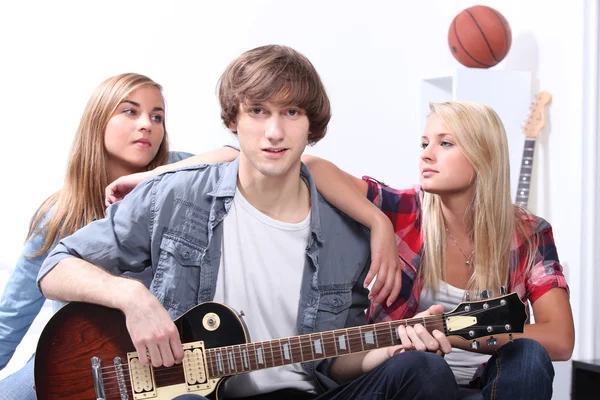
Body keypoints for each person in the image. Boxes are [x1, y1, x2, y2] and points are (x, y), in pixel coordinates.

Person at [38, 45, 457, 400]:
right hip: (191, 394)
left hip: (304, 393)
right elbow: (56, 265)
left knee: (425, 371)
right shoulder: (176, 196)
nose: (274, 132)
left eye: (291, 112)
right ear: (233, 120)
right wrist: (132, 297)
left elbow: (335, 361)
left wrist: (386, 350)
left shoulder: (347, 235)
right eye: (258, 111)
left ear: (311, 126)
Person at [113, 100, 575, 400]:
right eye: (424, 143)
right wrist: (151, 178)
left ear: (484, 155)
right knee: (420, 368)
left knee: (529, 358)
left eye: (445, 143)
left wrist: (455, 335)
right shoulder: (402, 211)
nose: (426, 154)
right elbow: (296, 159)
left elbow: (559, 339)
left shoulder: (529, 234)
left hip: (484, 385)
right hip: (401, 373)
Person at [0, 72, 192, 400]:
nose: (147, 124)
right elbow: (11, 318)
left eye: (157, 116)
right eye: (130, 111)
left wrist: (160, 174)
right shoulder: (59, 215)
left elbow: (234, 158)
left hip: (159, 372)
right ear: (97, 122)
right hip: (71, 367)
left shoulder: (181, 178)